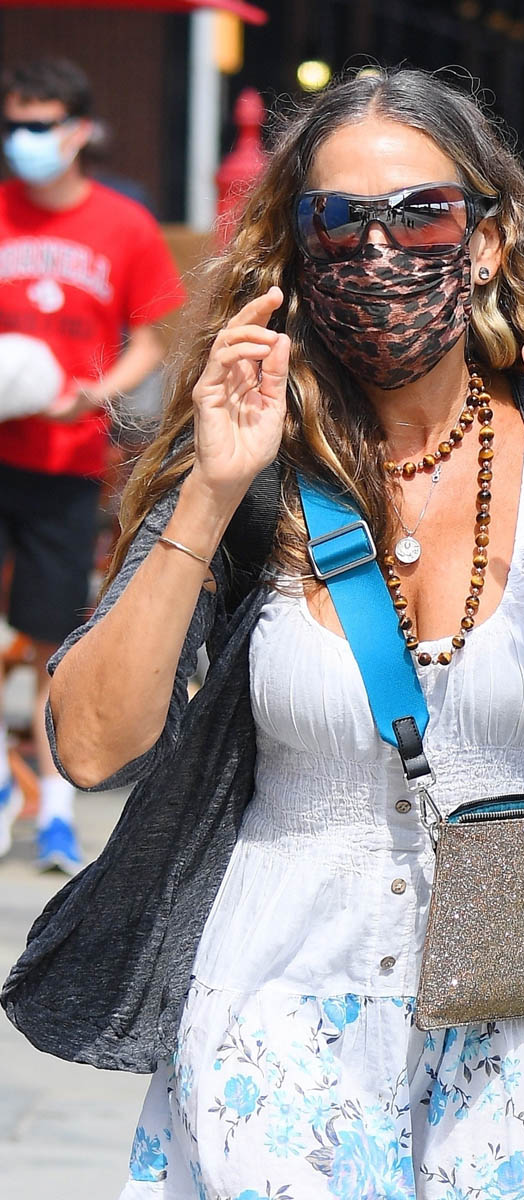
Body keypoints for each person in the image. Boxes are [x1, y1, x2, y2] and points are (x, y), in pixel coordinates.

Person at [4, 69, 524, 1199]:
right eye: (339, 218)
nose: (379, 249)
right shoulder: (250, 458)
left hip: (523, 1009)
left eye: (421, 213)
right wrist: (209, 495)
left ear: (487, 238)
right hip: (275, 1010)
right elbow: (90, 747)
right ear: (299, 244)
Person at [0, 58, 185, 872]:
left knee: (49, 634)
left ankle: (54, 806)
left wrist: (94, 394)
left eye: (40, 125)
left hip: (68, 458)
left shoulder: (124, 224)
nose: (24, 139)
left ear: (78, 130)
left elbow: (151, 337)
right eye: (15, 123)